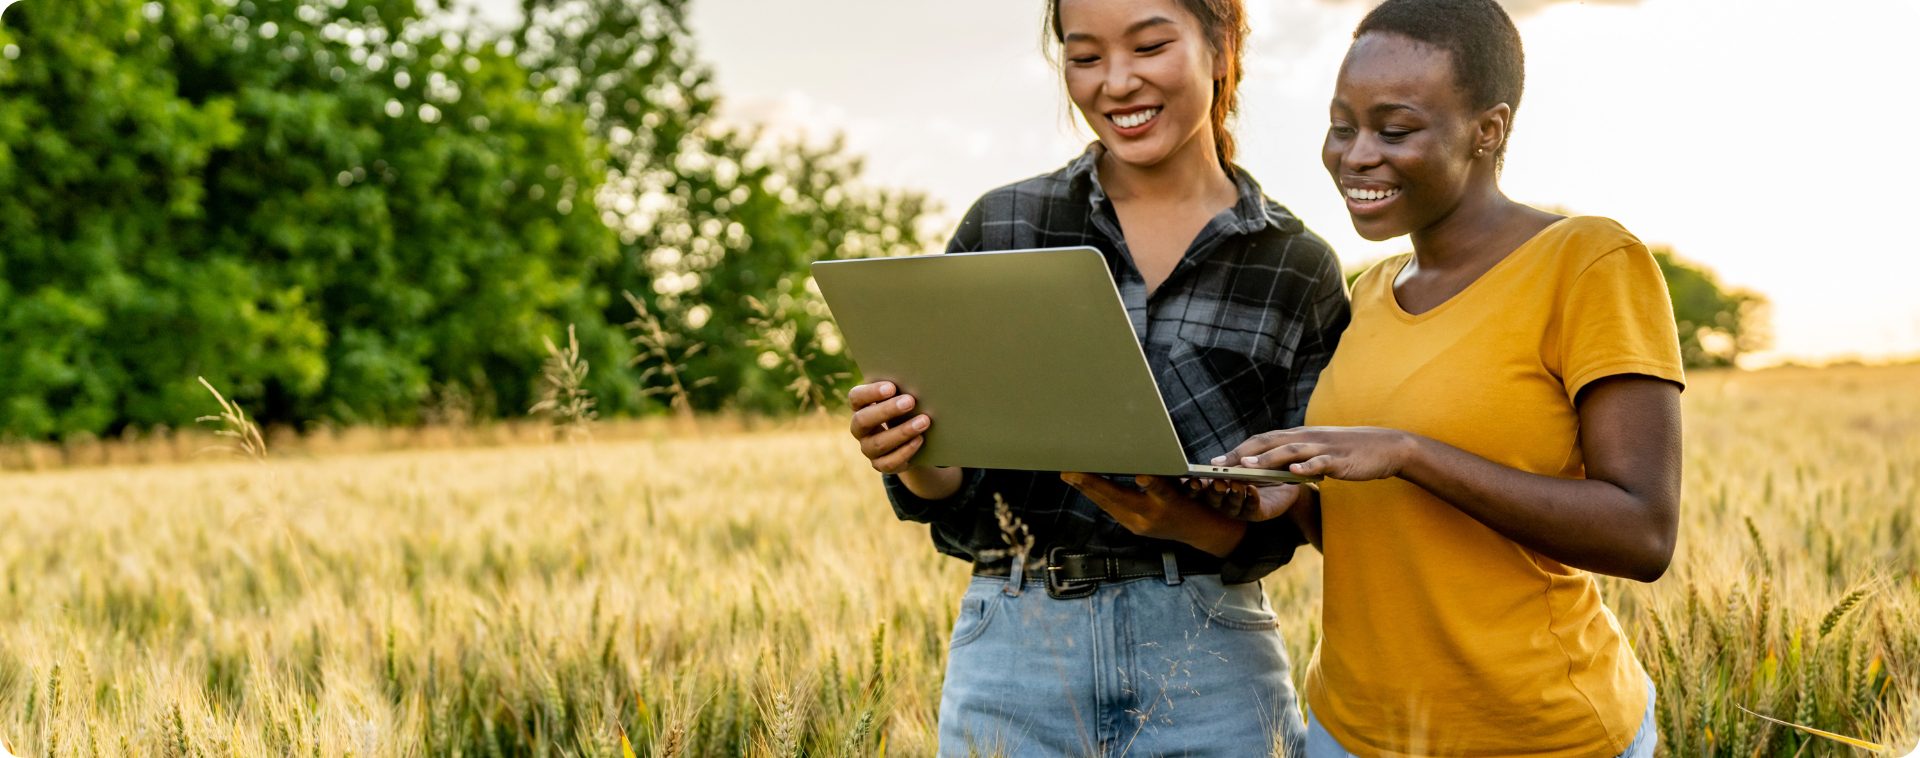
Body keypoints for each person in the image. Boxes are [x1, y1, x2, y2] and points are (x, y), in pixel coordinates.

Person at [843, 0, 1349, 755]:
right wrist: (915, 458)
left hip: (1212, 653)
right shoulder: (1003, 228)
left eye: (1148, 46)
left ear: (1222, 46)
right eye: (1084, 58)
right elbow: (948, 496)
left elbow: (1312, 515)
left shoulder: (1295, 266)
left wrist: (1193, 522)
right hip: (1016, 647)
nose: (1116, 82)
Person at [1208, 1, 1682, 756]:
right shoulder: (1369, 293)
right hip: (1349, 731)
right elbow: (1394, 545)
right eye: (1341, 126)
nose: (1357, 155)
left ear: (1487, 131)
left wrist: (1411, 452)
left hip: (1537, 734)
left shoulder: (1587, 262)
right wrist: (1294, 497)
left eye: (1395, 130)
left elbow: (1644, 534)